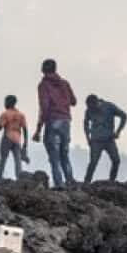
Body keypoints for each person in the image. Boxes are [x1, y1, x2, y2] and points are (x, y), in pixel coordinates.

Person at [33, 59, 78, 188]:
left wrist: (38, 130)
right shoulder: (65, 83)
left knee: (54, 156)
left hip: (53, 121)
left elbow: (44, 107)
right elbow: (74, 101)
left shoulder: (43, 85)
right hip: (66, 122)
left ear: (42, 69)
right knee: (64, 154)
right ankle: (70, 181)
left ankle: (59, 184)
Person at [83, 95, 127, 183]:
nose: (91, 109)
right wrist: (88, 138)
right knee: (93, 162)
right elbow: (85, 123)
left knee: (116, 160)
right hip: (96, 141)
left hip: (109, 139)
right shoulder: (89, 110)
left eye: (92, 107)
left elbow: (124, 116)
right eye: (89, 108)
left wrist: (118, 131)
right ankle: (87, 182)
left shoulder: (109, 107)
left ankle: (112, 180)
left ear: (96, 103)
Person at [0, 95, 29, 180]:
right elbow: (25, 129)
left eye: (5, 102)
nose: (4, 104)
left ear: (8, 103)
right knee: (17, 160)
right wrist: (25, 143)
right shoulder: (21, 115)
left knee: (3, 159)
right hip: (17, 139)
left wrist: (1, 124)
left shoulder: (5, 114)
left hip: (7, 137)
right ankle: (19, 178)